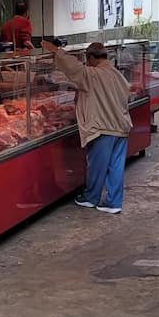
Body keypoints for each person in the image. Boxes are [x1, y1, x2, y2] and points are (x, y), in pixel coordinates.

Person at [41, 39, 131, 214]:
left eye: (86, 59)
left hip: (103, 127)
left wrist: (55, 50)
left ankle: (91, 198)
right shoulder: (117, 74)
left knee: (97, 165)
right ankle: (114, 203)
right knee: (116, 167)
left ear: (90, 57)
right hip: (122, 126)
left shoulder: (92, 74)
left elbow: (72, 67)